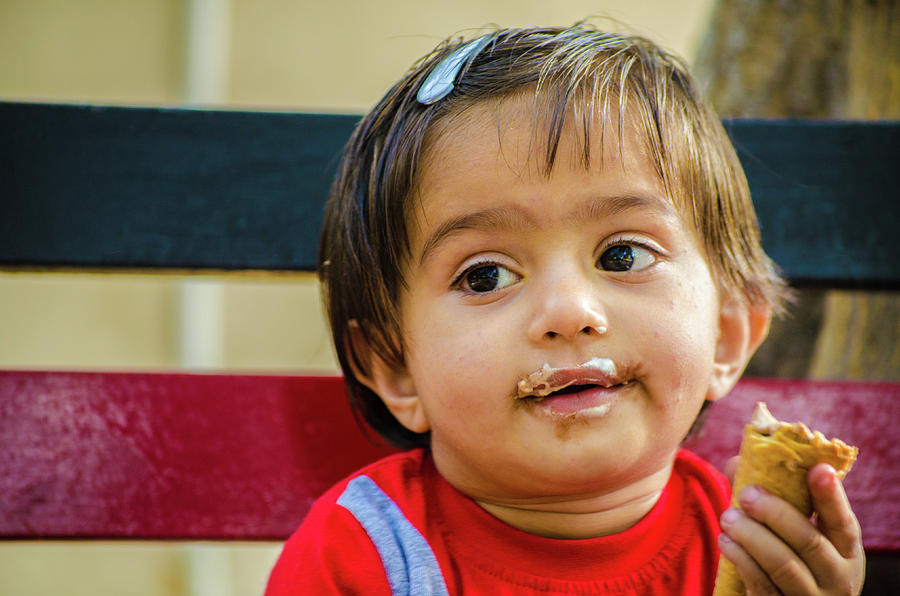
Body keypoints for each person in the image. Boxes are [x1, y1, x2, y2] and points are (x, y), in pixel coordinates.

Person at [266, 24, 865, 595]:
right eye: (485, 276)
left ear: (727, 334)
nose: (569, 311)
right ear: (396, 367)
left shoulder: (752, 552)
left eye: (623, 255)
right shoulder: (363, 557)